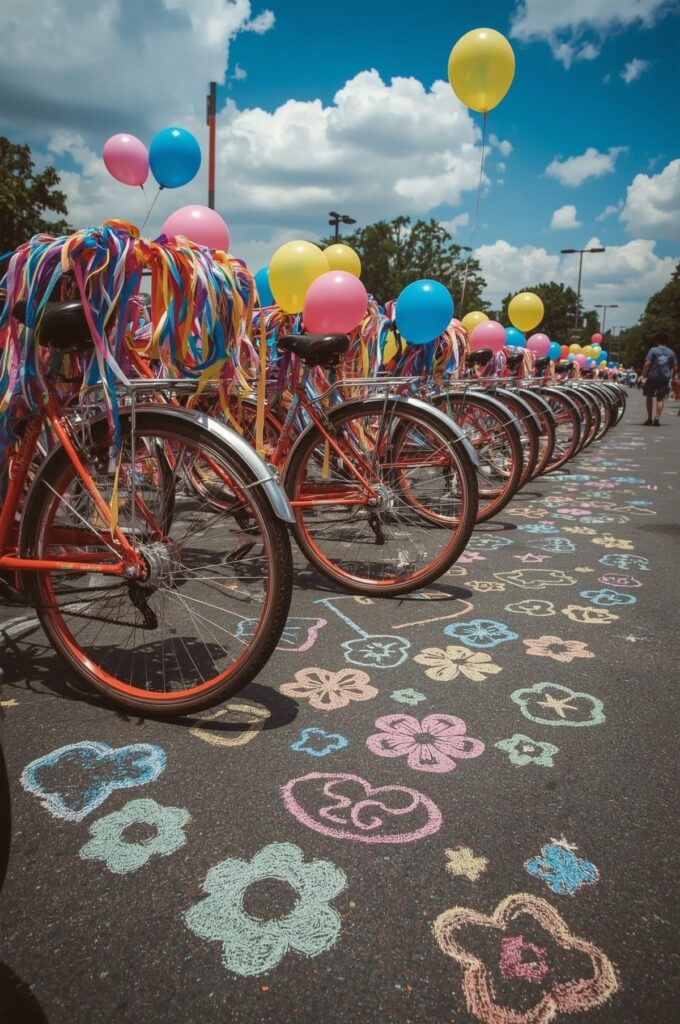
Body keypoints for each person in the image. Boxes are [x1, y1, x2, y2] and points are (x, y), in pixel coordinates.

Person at [641, 341, 678, 425]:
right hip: (665, 377)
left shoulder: (653, 350)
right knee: (660, 398)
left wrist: (643, 375)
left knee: (649, 396)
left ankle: (649, 418)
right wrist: (672, 376)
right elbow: (675, 366)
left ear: (657, 341)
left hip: (653, 376)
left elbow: (648, 363)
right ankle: (657, 418)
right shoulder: (671, 352)